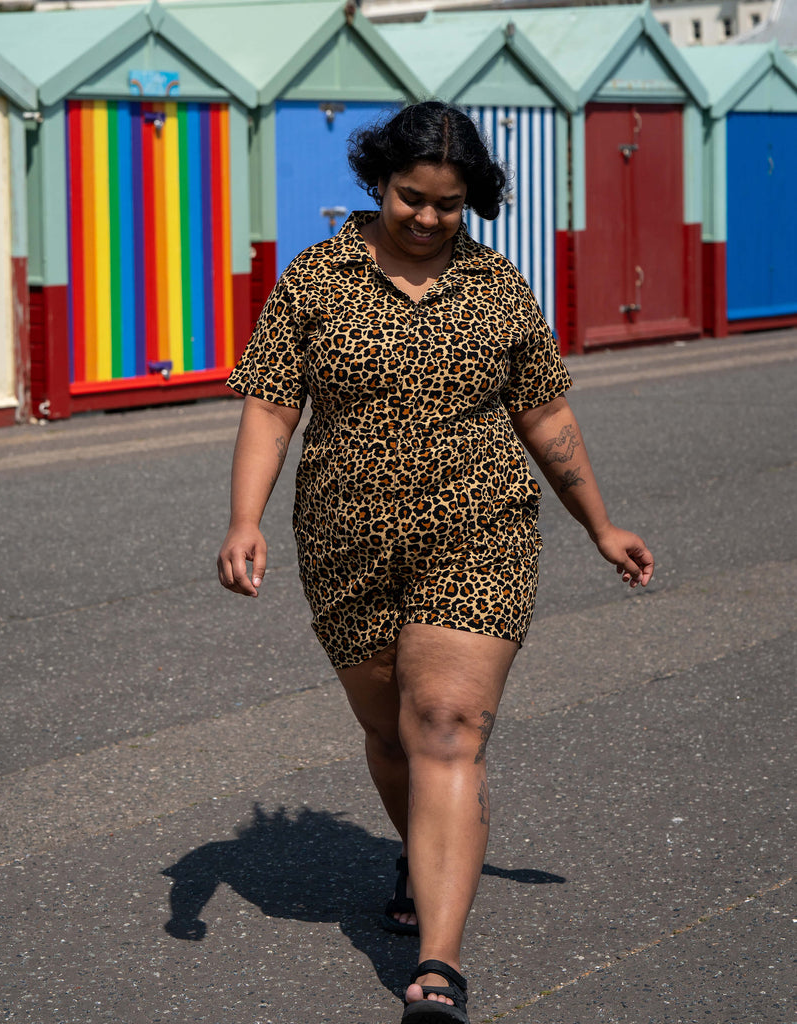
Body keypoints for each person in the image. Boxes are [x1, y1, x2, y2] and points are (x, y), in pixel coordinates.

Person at [217, 101, 654, 1024]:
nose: (425, 217)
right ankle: (423, 858)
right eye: (410, 197)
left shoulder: (497, 288)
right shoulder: (317, 278)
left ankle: (438, 970)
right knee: (391, 735)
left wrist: (598, 525)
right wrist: (243, 518)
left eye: (447, 205)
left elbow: (543, 415)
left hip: (479, 531)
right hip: (346, 537)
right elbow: (270, 404)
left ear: (473, 201)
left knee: (447, 725)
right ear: (378, 182)